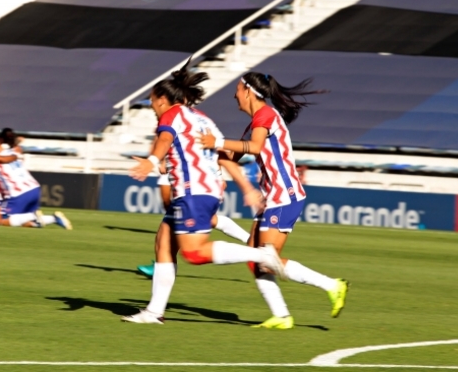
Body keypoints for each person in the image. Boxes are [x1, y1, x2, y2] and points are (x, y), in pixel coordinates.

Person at [122, 60, 281, 325]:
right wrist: (246, 187)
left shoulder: (171, 114)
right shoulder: (202, 118)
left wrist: (151, 161)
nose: (151, 106)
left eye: (152, 100)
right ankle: (153, 311)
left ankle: (261, 254)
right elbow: (225, 156)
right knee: (164, 241)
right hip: (206, 189)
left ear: (163, 99)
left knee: (194, 253)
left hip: (192, 190)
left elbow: (163, 141)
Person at [200, 72, 349, 329]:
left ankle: (333, 285)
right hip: (272, 197)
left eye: (237, 88)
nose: (234, 93)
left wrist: (219, 142)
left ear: (248, 91)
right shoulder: (256, 122)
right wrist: (208, 154)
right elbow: (230, 157)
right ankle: (281, 316)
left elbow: (255, 148)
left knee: (266, 259)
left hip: (284, 195)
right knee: (255, 259)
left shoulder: (265, 115)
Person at [137, 170, 254, 278]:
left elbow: (166, 201)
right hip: (200, 185)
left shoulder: (171, 153)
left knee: (179, 240)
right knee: (205, 221)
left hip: (197, 188)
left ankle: (163, 267)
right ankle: (162, 267)